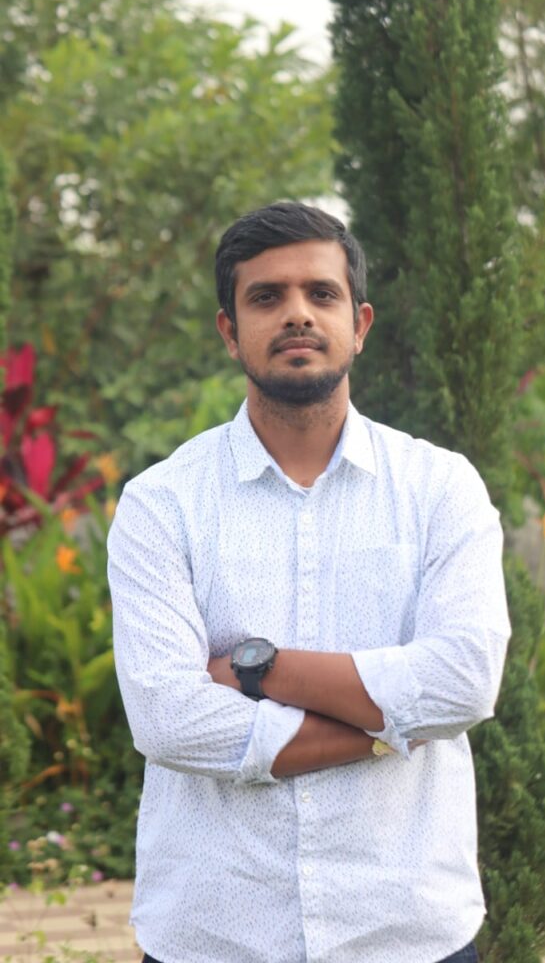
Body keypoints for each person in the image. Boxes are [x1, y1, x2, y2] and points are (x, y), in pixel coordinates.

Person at [108, 201, 510, 963]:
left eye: (321, 293)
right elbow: (168, 718)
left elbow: (464, 680)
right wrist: (387, 730)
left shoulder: (440, 489)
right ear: (230, 331)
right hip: (217, 934)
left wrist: (258, 670)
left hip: (404, 930)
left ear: (359, 324)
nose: (297, 313)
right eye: (267, 297)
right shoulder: (161, 504)